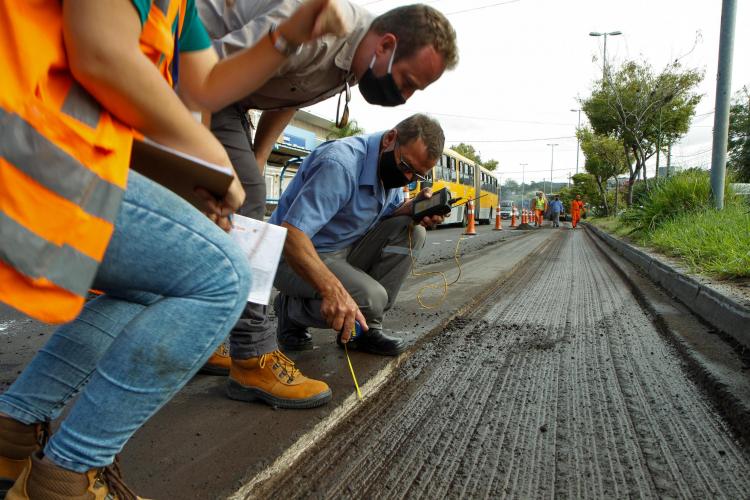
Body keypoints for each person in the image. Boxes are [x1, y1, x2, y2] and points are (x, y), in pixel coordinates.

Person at [0, 0, 347, 496]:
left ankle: (12, 432)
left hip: (53, 152)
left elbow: (205, 85)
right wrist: (208, 157)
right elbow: (101, 54)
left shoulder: (177, 7)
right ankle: (67, 479)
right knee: (223, 275)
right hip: (29, 145)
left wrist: (288, 34)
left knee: (153, 282)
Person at [197, 0, 459, 406]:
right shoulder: (319, 33)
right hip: (190, 67)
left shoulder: (351, 67)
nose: (404, 97)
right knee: (240, 202)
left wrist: (259, 155)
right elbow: (202, 69)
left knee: (410, 233)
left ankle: (212, 332)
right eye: (407, 81)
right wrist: (335, 290)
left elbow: (287, 92)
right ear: (386, 46)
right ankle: (251, 354)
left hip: (225, 92)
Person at [225, 114, 446, 409]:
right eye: (406, 167)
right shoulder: (340, 164)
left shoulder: (391, 168)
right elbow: (292, 235)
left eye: (416, 176)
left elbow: (388, 215)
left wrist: (415, 209)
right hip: (294, 255)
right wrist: (334, 290)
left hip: (340, 250)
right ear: (390, 139)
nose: (407, 178)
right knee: (371, 297)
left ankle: (365, 331)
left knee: (413, 230)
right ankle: (291, 310)